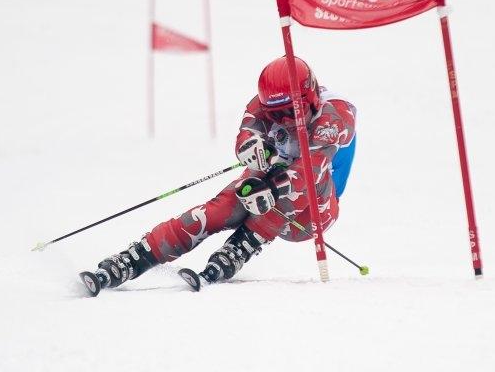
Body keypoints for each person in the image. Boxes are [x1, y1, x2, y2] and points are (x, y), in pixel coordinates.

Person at [80, 55, 357, 296]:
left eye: (288, 111)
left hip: (313, 213)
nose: (282, 119)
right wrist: (250, 148)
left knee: (302, 183)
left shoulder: (335, 115)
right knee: (222, 207)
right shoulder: (260, 106)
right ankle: (136, 257)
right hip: (274, 181)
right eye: (274, 113)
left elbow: (313, 167)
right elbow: (246, 136)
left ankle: (244, 244)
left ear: (309, 98)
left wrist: (273, 187)